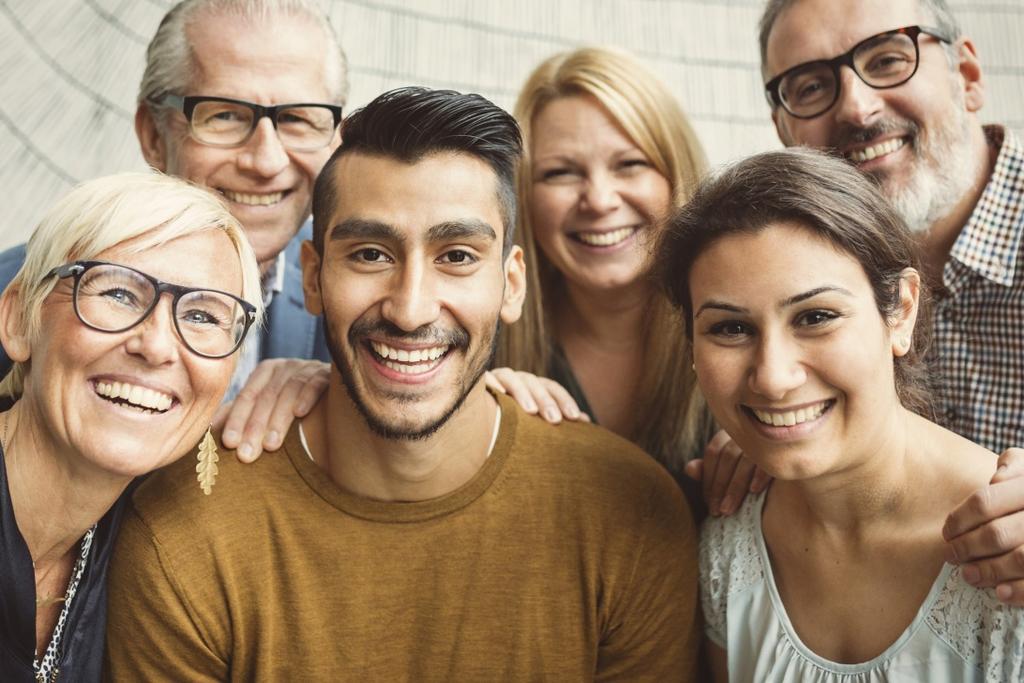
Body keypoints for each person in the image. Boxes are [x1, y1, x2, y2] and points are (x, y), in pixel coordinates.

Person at [104, 87, 700, 680]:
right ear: (312, 279)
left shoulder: (632, 515)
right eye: (370, 254)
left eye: (458, 256)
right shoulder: (186, 529)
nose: (410, 309)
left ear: (511, 284)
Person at [658, 147, 1023, 681]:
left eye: (816, 316)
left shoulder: (1012, 549)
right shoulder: (727, 545)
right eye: (730, 328)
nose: (774, 377)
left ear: (900, 311)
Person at [758, 0, 1024, 604]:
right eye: (811, 86)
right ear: (783, 131)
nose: (856, 106)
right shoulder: (770, 290)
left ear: (969, 77)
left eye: (887, 58)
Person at [0, 0, 348, 461]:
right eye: (224, 115)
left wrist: (337, 393)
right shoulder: (25, 290)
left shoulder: (356, 303)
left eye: (298, 119)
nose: (266, 162)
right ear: (152, 135)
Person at [0, 172, 263, 681]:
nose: (158, 346)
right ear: (18, 320)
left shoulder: (149, 545)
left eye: (205, 316)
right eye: (119, 293)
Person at [490, 46, 759, 513]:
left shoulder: (753, 329)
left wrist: (782, 440)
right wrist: (472, 420)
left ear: (677, 173)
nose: (598, 199)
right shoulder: (483, 340)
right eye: (560, 173)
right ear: (524, 198)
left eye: (629, 164)